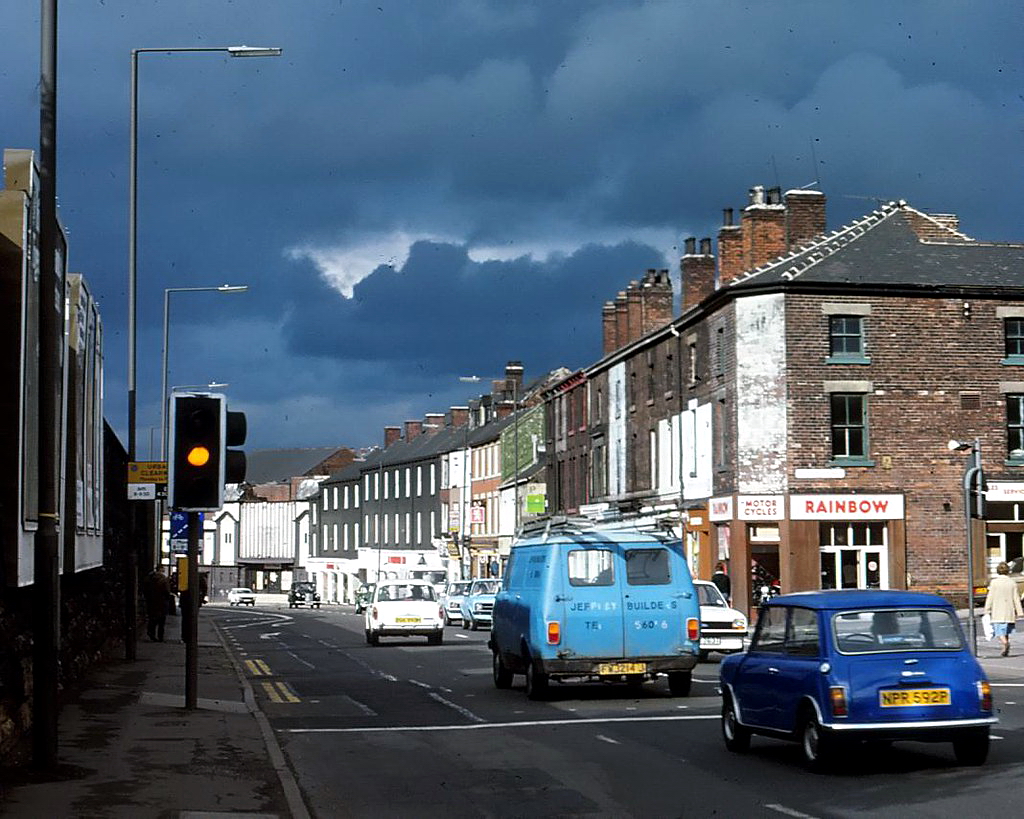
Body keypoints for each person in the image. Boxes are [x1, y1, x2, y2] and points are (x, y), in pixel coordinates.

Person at [984, 562, 1023, 657]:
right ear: (1008, 571)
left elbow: (990, 597)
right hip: (1009, 611)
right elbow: (1016, 598)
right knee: (1005, 631)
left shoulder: (994, 582)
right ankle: (1004, 649)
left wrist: (987, 609)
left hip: (997, 611)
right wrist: (1019, 611)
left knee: (999, 632)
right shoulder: (1012, 583)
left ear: (998, 571)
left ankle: (1005, 644)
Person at [142, 565, 170, 642]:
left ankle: (151, 633)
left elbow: (144, 590)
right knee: (161, 621)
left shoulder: (149, 578)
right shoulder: (163, 579)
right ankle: (160, 637)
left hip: (151, 601)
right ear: (161, 570)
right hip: (162, 601)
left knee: (152, 618)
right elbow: (167, 591)